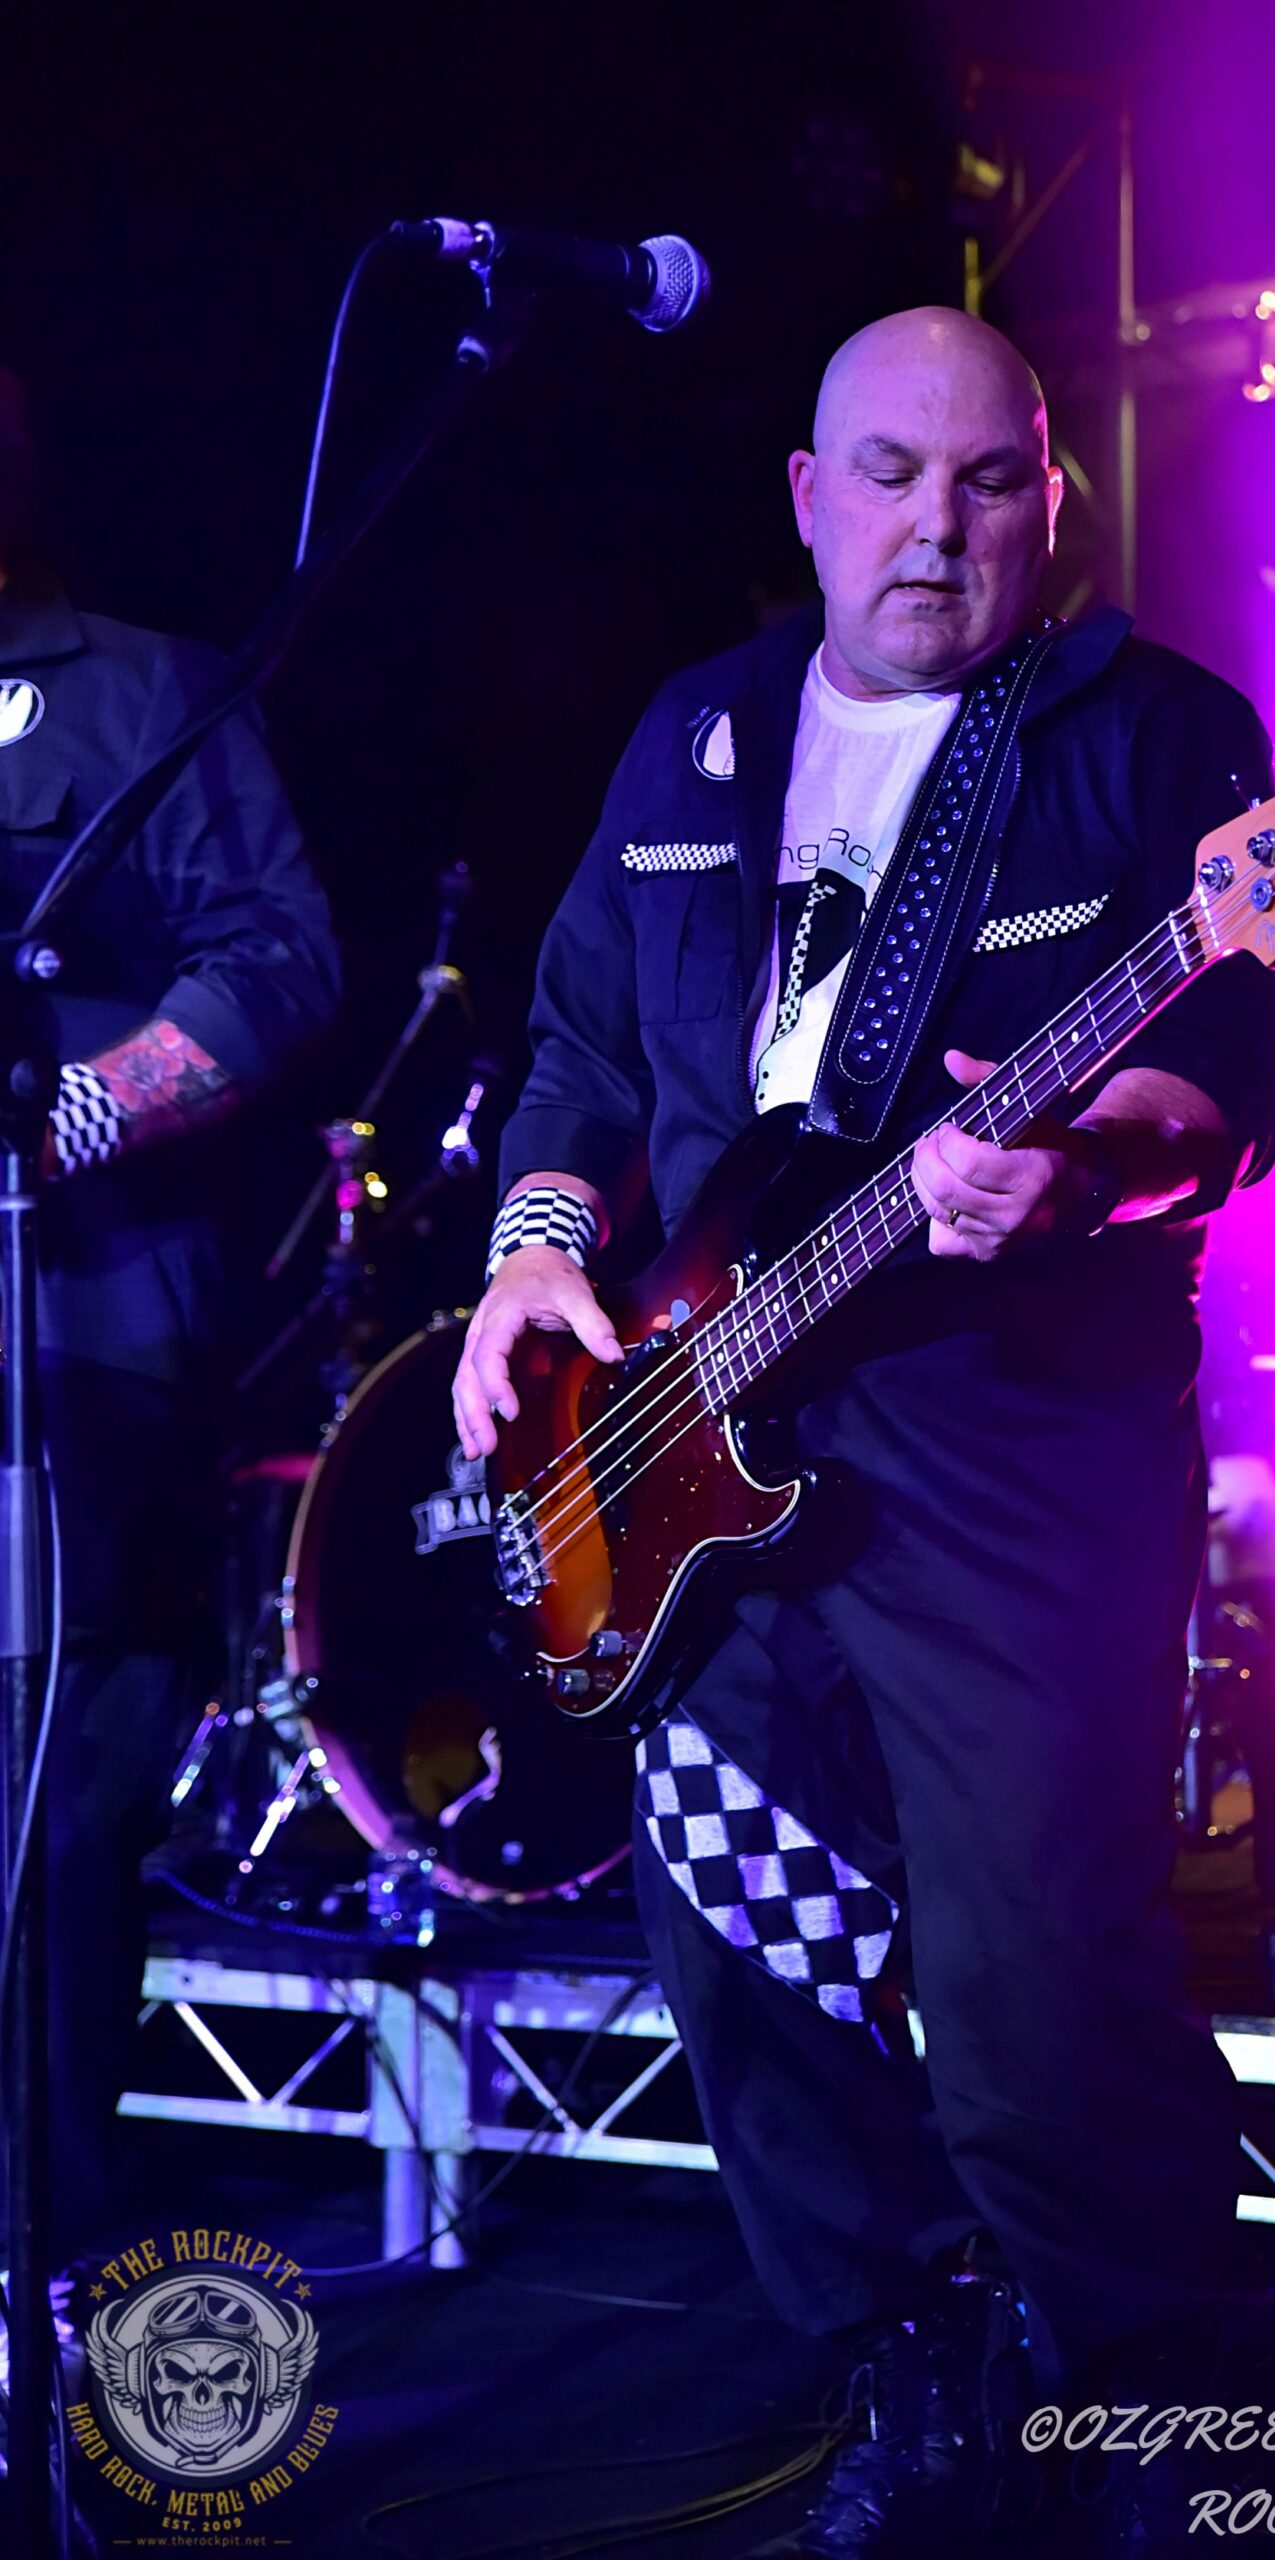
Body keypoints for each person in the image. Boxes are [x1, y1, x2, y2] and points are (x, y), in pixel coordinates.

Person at [453, 309, 1275, 2555]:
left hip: (1010, 1432)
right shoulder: (696, 729)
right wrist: (534, 1255)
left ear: (1054, 497)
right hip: (698, 1417)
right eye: (892, 477)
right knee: (743, 1933)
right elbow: (579, 1055)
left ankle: (1152, 2413)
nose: (938, 527)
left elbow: (1221, 1078)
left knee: (1036, 1974)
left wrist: (1090, 1158)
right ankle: (903, 2361)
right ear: (809, 498)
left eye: (989, 480)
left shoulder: (1151, 733)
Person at [0, 366, 341, 2290]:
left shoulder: (134, 691)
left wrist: (62, 1117)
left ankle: (48, 2290)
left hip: (81, 1340)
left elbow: (279, 961)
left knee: (51, 1824)